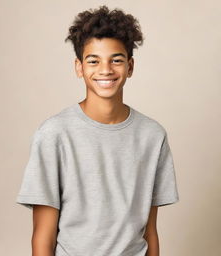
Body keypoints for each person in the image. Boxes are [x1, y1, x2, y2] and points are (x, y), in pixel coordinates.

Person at [16, 5, 179, 256]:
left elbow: (150, 232)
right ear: (79, 67)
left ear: (130, 66)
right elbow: (42, 236)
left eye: (116, 60)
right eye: (94, 61)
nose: (106, 70)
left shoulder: (153, 136)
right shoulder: (54, 134)